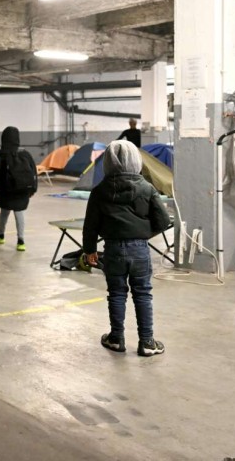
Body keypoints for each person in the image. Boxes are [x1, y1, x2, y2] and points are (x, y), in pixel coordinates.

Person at [82, 140, 171, 357]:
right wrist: (142, 233)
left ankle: (116, 338)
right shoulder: (147, 188)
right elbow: (163, 221)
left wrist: (89, 249)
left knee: (116, 293)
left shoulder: (99, 191)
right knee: (143, 294)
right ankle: (147, 342)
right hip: (139, 249)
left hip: (112, 249)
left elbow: (90, 225)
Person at [0, 126, 37, 252]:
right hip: (23, 190)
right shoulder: (25, 154)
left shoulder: (0, 155)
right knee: (19, 212)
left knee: (5, 210)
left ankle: (1, 234)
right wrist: (33, 189)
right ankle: (21, 241)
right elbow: (34, 173)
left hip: (6, 190)